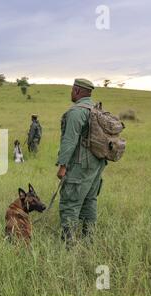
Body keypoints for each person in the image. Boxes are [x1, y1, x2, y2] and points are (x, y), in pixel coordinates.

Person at [56, 78, 106, 247]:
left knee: (70, 202)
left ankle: (68, 244)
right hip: (97, 164)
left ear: (77, 91)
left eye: (72, 89)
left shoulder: (77, 112)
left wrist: (62, 165)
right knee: (90, 200)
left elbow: (69, 141)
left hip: (80, 164)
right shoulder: (96, 109)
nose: (71, 92)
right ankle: (88, 240)